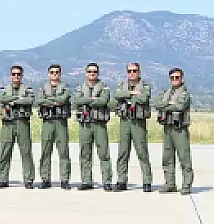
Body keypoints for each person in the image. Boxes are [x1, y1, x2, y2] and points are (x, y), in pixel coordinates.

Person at [111, 61, 155, 192]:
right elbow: (117, 95)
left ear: (139, 72)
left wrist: (128, 95)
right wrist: (133, 94)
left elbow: (144, 98)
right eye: (129, 71)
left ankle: (147, 182)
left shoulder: (145, 85)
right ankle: (121, 181)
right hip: (125, 120)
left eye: (134, 71)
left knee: (142, 152)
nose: (132, 73)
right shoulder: (122, 84)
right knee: (123, 152)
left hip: (138, 122)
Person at [73, 62, 113, 190]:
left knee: (104, 153)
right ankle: (86, 181)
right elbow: (78, 101)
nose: (92, 73)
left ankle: (107, 181)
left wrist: (88, 99)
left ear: (98, 73)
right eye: (90, 71)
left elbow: (103, 101)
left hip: (99, 124)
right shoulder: (80, 87)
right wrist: (93, 99)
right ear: (86, 73)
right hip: (85, 124)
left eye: (94, 71)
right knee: (85, 153)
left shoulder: (104, 87)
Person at [0, 64, 37, 188]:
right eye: (14, 74)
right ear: (11, 75)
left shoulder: (28, 89)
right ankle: (3, 179)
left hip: (22, 122)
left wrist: (12, 100)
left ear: (22, 75)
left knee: (26, 152)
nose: (16, 76)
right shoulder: (4, 89)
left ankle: (28, 179)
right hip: (8, 123)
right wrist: (18, 98)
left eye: (18, 74)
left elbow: (29, 101)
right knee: (4, 151)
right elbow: (2, 99)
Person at [155, 66, 193, 194]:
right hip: (167, 127)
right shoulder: (165, 92)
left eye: (177, 77)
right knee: (167, 157)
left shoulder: (184, 93)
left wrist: (166, 105)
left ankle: (186, 185)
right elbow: (157, 104)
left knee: (184, 157)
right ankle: (170, 184)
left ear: (181, 78)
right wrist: (171, 104)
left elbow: (181, 106)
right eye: (172, 78)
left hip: (179, 129)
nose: (175, 80)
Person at [36, 63, 73, 189]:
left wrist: (50, 100)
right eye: (52, 72)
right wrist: (55, 101)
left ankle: (64, 179)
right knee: (45, 151)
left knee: (63, 151)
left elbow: (64, 99)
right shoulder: (43, 87)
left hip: (61, 122)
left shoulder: (65, 87)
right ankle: (45, 179)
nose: (54, 74)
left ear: (60, 74)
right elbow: (40, 100)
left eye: (57, 72)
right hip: (47, 122)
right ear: (48, 74)